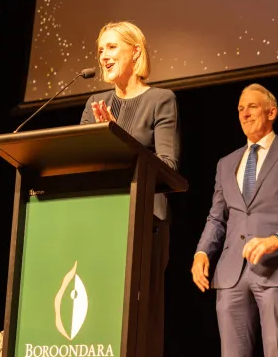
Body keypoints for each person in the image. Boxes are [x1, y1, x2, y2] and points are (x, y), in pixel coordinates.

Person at [192, 83, 278, 357]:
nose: (245, 114)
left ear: (272, 112)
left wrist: (275, 240)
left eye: (252, 106)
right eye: (240, 109)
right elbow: (217, 217)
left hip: (277, 270)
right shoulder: (225, 163)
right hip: (231, 275)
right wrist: (202, 252)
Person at [79, 21, 179, 357]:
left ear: (135, 52)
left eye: (111, 47)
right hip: (101, 221)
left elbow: (169, 167)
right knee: (99, 313)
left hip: (145, 222)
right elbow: (82, 162)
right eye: (101, 49)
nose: (103, 56)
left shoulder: (161, 101)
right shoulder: (95, 103)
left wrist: (119, 135)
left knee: (137, 318)